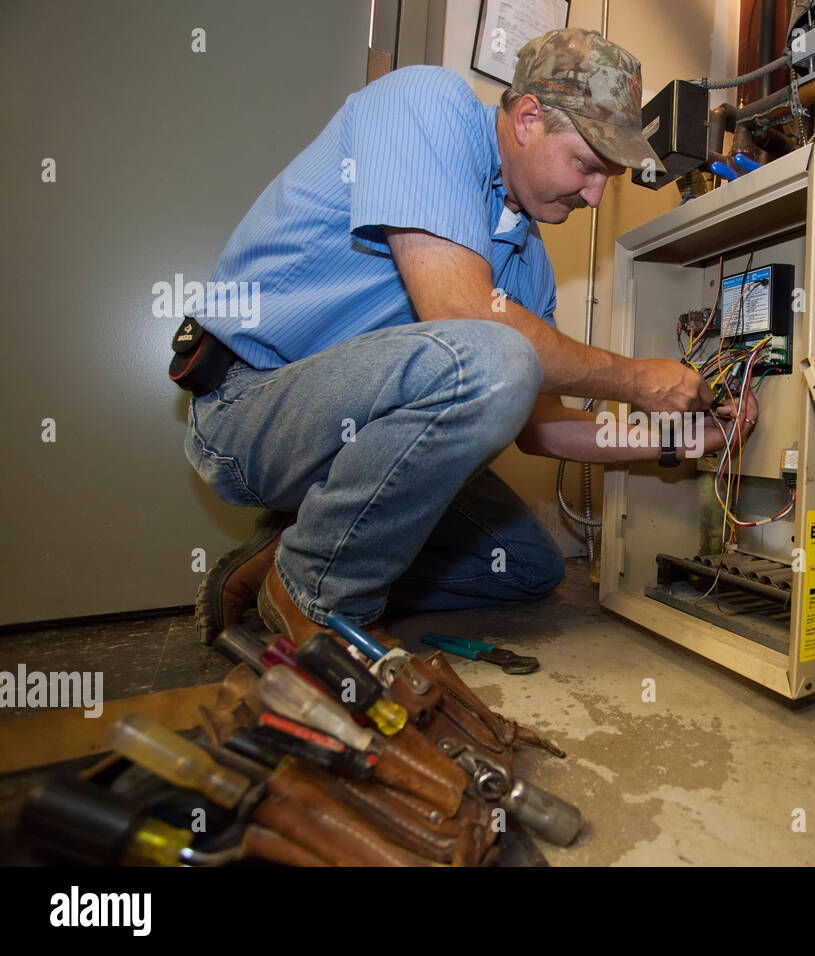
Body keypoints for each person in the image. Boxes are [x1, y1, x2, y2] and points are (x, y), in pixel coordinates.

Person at [182, 28, 757, 646]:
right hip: (247, 408)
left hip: (356, 441)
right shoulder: (426, 104)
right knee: (498, 353)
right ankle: (316, 591)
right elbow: (463, 317)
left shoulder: (527, 266)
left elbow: (543, 427)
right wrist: (639, 380)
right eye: (588, 165)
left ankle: (306, 544)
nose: (595, 194)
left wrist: (681, 438)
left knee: (527, 569)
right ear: (529, 119)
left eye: (608, 176)